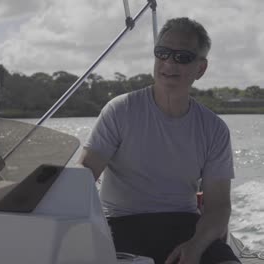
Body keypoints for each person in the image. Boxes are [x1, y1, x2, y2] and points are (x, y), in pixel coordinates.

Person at [79, 17, 240, 264]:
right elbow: (84, 176)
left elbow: (218, 207)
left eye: (182, 57)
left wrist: (195, 247)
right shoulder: (120, 111)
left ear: (200, 68)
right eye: (162, 53)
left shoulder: (214, 129)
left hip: (186, 226)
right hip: (120, 225)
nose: (168, 62)